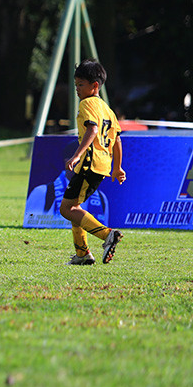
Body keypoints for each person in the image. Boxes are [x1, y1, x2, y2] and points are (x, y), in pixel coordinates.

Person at [59, 59, 125, 265]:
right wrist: (117, 168)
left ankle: (107, 235)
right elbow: (117, 140)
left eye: (80, 84)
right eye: (76, 84)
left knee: (66, 209)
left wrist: (77, 155)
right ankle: (82, 254)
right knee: (75, 208)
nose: (77, 89)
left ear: (94, 86)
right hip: (102, 166)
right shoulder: (107, 109)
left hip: (90, 164)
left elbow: (93, 129)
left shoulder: (87, 104)